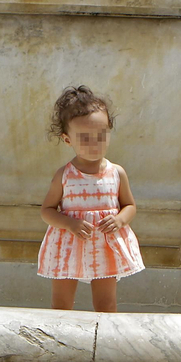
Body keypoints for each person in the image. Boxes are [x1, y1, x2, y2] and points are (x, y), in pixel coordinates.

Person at [36, 85, 142, 313]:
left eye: (101, 136)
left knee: (106, 304)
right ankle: (60, 334)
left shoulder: (116, 173)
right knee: (61, 304)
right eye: (85, 139)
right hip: (68, 244)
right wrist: (69, 223)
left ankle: (106, 335)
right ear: (67, 140)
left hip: (105, 244)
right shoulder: (64, 175)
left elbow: (130, 206)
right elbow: (47, 210)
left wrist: (120, 220)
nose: (95, 144)